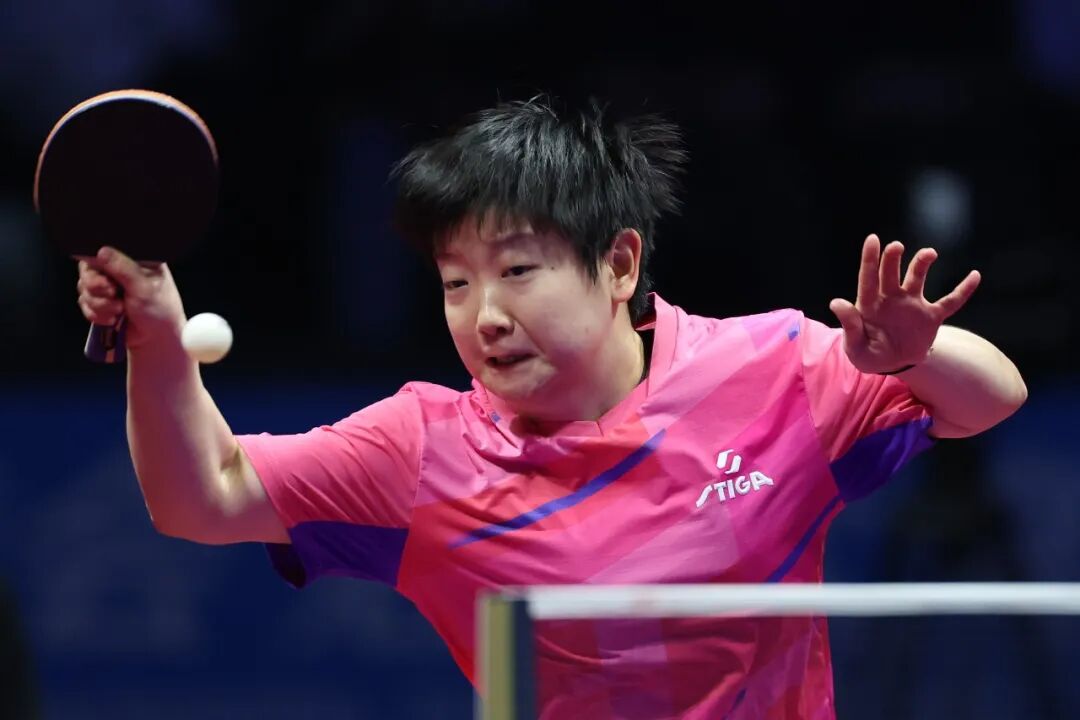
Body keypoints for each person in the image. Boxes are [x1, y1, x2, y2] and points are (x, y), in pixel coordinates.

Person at [75, 95, 1027, 719]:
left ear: (619, 263)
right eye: (456, 283)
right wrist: (154, 335)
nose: (485, 315)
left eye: (519, 271)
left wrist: (916, 352)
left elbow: (991, 398)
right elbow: (201, 497)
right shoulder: (423, 452)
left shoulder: (771, 370)